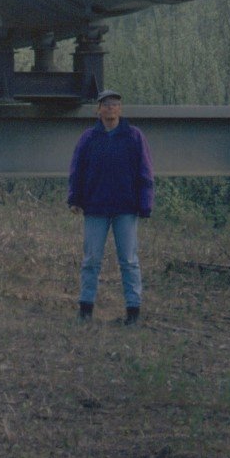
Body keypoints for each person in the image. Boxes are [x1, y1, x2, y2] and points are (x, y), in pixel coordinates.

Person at [67, 89, 154, 325]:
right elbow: (77, 170)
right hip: (95, 208)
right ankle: (85, 310)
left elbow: (145, 172)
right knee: (91, 259)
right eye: (106, 105)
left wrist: (145, 204)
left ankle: (133, 312)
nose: (110, 109)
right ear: (98, 110)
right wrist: (74, 199)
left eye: (115, 104)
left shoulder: (134, 137)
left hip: (125, 208)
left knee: (128, 260)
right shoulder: (88, 138)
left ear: (121, 109)